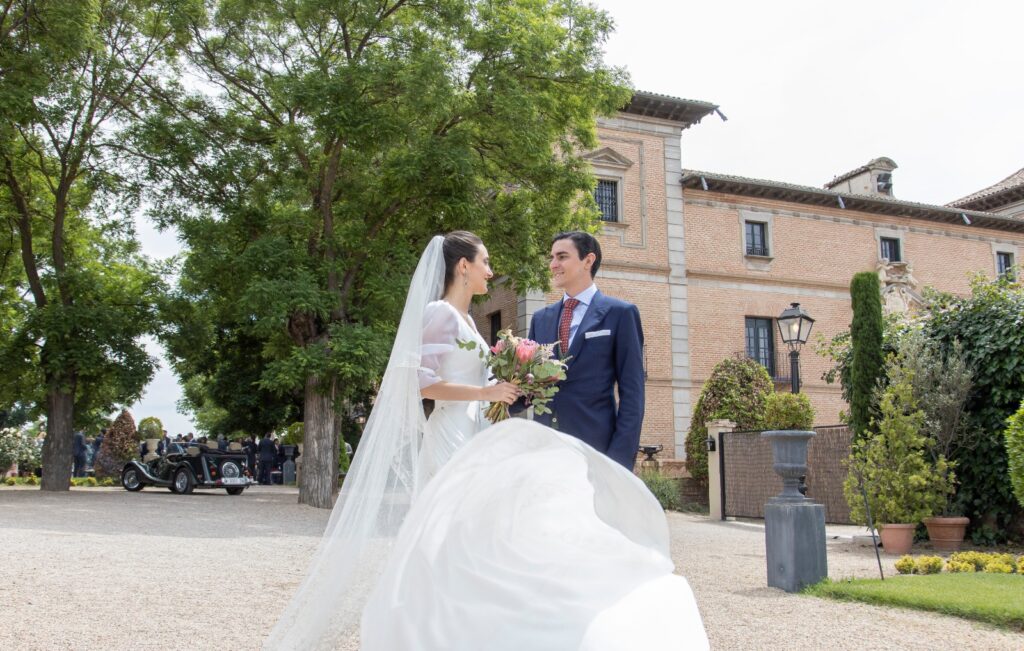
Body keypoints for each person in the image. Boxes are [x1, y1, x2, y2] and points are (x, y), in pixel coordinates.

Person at [264, 232, 707, 650]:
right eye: (486, 262)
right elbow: (425, 383)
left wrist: (613, 456)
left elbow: (628, 391)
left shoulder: (608, 314)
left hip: (515, 439)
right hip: (461, 436)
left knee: (497, 540)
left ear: (588, 260)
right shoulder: (481, 315)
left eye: (560, 256)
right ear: (463, 266)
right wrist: (493, 397)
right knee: (459, 538)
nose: (492, 271)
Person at [526, 231, 645, 469]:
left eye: (561, 257)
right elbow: (530, 387)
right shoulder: (540, 319)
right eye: (551, 258)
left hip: (597, 451)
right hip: (546, 450)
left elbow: (633, 394)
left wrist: (618, 460)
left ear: (588, 261)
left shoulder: (620, 314)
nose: (553, 265)